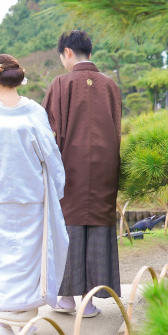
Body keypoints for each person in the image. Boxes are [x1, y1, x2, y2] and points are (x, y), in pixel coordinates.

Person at [0, 54, 69, 335]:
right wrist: (58, 188)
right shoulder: (33, 112)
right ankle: (24, 323)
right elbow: (50, 154)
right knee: (29, 259)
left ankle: (2, 323)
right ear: (19, 80)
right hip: (31, 196)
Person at [42, 30, 123, 318]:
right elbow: (117, 129)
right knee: (98, 226)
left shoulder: (61, 84)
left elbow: (48, 135)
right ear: (89, 51)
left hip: (69, 169)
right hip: (105, 168)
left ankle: (66, 298)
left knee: (68, 227)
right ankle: (90, 302)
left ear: (67, 53)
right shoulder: (110, 85)